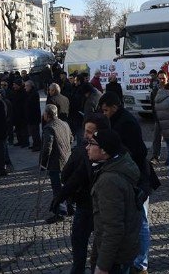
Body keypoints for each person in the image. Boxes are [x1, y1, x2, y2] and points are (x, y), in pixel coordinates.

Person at [98, 91, 155, 273]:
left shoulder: (126, 123)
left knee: (142, 221)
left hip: (136, 176)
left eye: (106, 110)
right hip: (129, 174)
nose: (104, 113)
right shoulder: (115, 120)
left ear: (115, 107)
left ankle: (141, 263)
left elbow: (137, 152)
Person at [51, 113, 110, 274]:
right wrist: (64, 194)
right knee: (80, 247)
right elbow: (72, 176)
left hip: (99, 209)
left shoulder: (107, 155)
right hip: (85, 205)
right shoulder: (83, 151)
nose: (85, 136)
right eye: (85, 131)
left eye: (90, 132)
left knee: (94, 250)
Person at [87, 129, 142, 274]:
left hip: (115, 259)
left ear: (104, 151)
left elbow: (113, 227)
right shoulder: (120, 163)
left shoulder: (109, 181)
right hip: (123, 250)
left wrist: (103, 266)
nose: (87, 147)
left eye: (91, 144)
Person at [40, 104, 73, 224]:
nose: (43, 115)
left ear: (48, 115)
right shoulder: (65, 124)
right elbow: (71, 139)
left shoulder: (49, 127)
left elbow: (47, 147)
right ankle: (70, 208)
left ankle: (60, 212)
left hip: (56, 163)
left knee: (57, 188)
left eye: (44, 113)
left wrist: (43, 162)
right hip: (67, 160)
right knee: (68, 185)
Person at [150, 70, 168, 162]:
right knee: (156, 138)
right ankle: (155, 156)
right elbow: (153, 104)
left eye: (163, 78)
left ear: (167, 78)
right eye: (160, 78)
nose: (161, 80)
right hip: (159, 118)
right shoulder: (155, 89)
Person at [24, 80, 42, 151]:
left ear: (30, 86)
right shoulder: (29, 93)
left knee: (35, 132)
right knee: (33, 132)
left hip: (34, 116)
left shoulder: (34, 93)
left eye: (26, 86)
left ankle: (38, 145)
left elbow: (31, 105)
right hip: (31, 116)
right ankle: (35, 144)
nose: (25, 88)